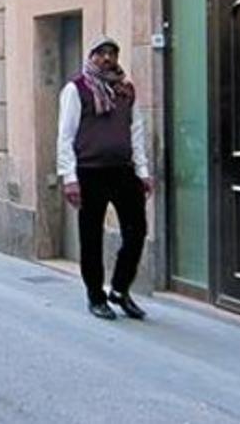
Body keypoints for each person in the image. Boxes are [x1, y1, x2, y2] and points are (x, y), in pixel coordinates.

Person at [57, 35, 153, 321]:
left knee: (137, 231)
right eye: (102, 53)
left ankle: (120, 290)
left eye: (112, 52)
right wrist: (69, 178)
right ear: (91, 56)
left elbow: (136, 131)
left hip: (123, 171)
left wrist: (143, 172)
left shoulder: (126, 90)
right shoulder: (76, 89)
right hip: (89, 172)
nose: (108, 58)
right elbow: (65, 136)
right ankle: (95, 296)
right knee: (91, 238)